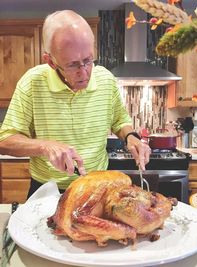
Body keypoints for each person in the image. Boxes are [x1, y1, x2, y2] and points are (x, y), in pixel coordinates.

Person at [0, 10, 151, 198]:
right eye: (73, 65)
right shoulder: (32, 82)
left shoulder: (105, 79)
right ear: (51, 61)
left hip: (97, 187)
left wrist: (130, 136)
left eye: (88, 61)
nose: (85, 72)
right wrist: (46, 146)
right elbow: (5, 140)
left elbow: (119, 120)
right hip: (48, 189)